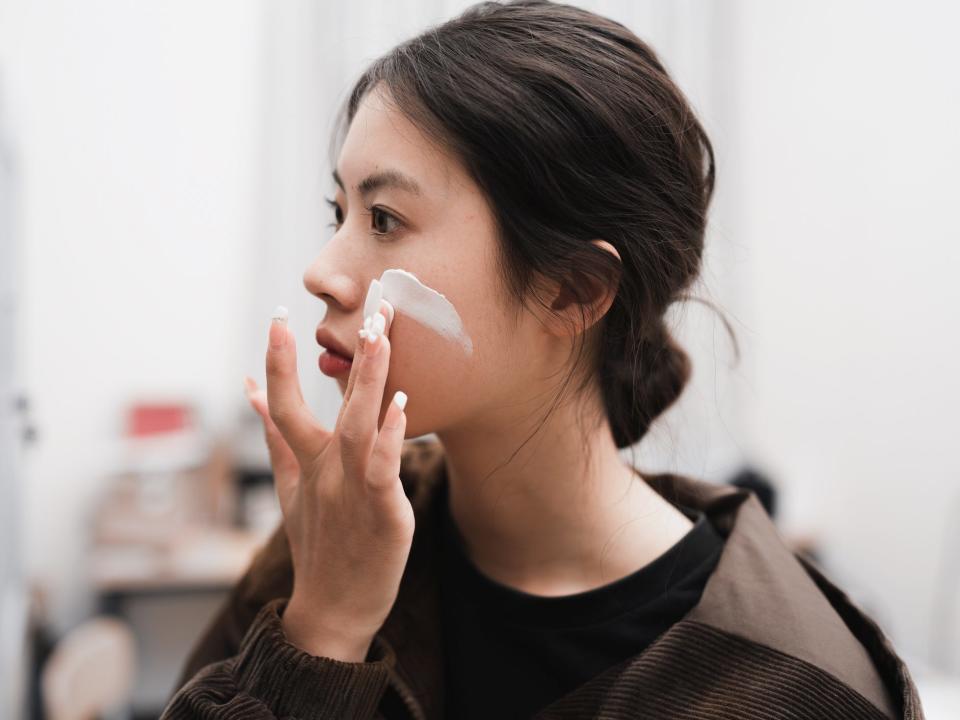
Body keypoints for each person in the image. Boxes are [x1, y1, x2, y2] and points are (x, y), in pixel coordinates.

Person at [160, 1, 923, 718]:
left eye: (385, 219)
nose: (322, 269)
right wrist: (323, 629)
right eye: (340, 214)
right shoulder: (340, 537)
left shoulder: (786, 681)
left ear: (574, 291)